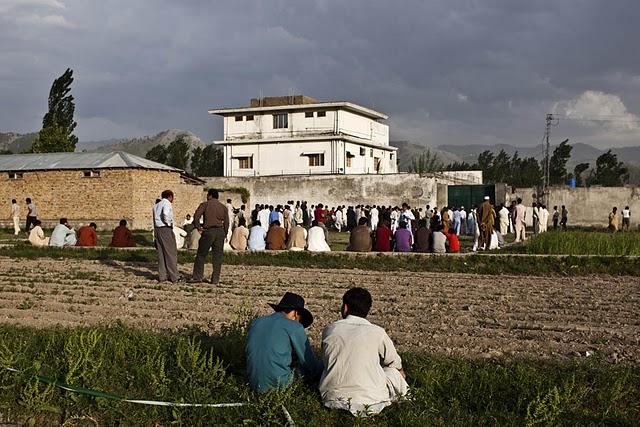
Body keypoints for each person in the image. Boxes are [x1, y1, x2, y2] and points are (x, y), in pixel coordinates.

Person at [319, 288, 408, 416]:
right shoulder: (377, 332)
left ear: (345, 307)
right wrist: (400, 372)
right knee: (394, 371)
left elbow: (326, 359)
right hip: (371, 398)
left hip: (331, 396)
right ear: (367, 310)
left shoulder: (330, 330)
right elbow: (394, 361)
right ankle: (404, 400)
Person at [246, 292, 322, 393]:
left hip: (254, 384)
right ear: (295, 313)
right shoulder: (294, 326)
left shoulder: (257, 322)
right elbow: (308, 362)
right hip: (279, 385)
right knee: (314, 368)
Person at [192, 189, 229, 284]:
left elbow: (196, 217)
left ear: (210, 196)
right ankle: (215, 279)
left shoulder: (205, 205)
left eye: (207, 195)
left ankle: (197, 277)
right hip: (220, 231)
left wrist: (199, 227)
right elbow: (227, 222)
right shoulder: (223, 207)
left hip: (208, 231)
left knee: (201, 254)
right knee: (217, 257)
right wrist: (224, 233)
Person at [153, 190, 180, 283]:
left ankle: (162, 276)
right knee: (170, 253)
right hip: (165, 229)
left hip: (158, 229)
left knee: (161, 254)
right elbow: (166, 214)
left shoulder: (156, 205)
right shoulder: (167, 203)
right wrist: (169, 223)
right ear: (170, 196)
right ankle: (174, 277)